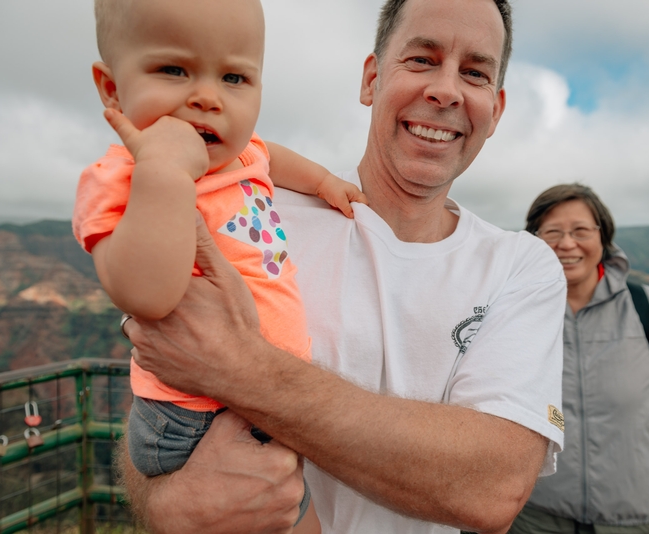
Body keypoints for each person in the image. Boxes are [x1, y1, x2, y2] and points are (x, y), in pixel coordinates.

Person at [121, 0, 569, 532]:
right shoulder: (258, 215)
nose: (446, 90)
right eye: (422, 59)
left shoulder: (523, 266)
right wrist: (169, 505)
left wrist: (240, 366)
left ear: (494, 109)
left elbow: (493, 485)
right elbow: (159, 409)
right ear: (371, 80)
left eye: (473, 72)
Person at [73, 0, 368, 531]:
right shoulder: (122, 176)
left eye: (233, 77)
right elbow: (145, 295)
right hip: (191, 415)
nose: (206, 97)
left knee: (298, 515)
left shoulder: (244, 153)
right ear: (112, 88)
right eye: (173, 70)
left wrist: (323, 181)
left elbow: (271, 156)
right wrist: (164, 175)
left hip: (268, 391)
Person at [510, 184, 649, 534]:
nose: (567, 244)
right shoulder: (516, 312)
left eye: (580, 231)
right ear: (534, 239)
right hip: (534, 514)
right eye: (552, 232)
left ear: (603, 237)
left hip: (629, 518)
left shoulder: (648, 309)